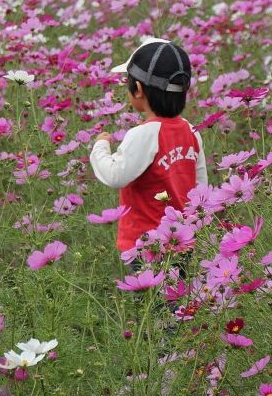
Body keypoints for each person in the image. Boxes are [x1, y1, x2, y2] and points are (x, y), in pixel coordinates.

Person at [89, 38, 208, 258]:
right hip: (183, 241)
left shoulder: (144, 134)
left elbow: (115, 176)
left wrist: (100, 147)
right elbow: (201, 187)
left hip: (146, 245)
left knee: (148, 293)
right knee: (178, 292)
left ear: (138, 89)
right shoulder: (191, 130)